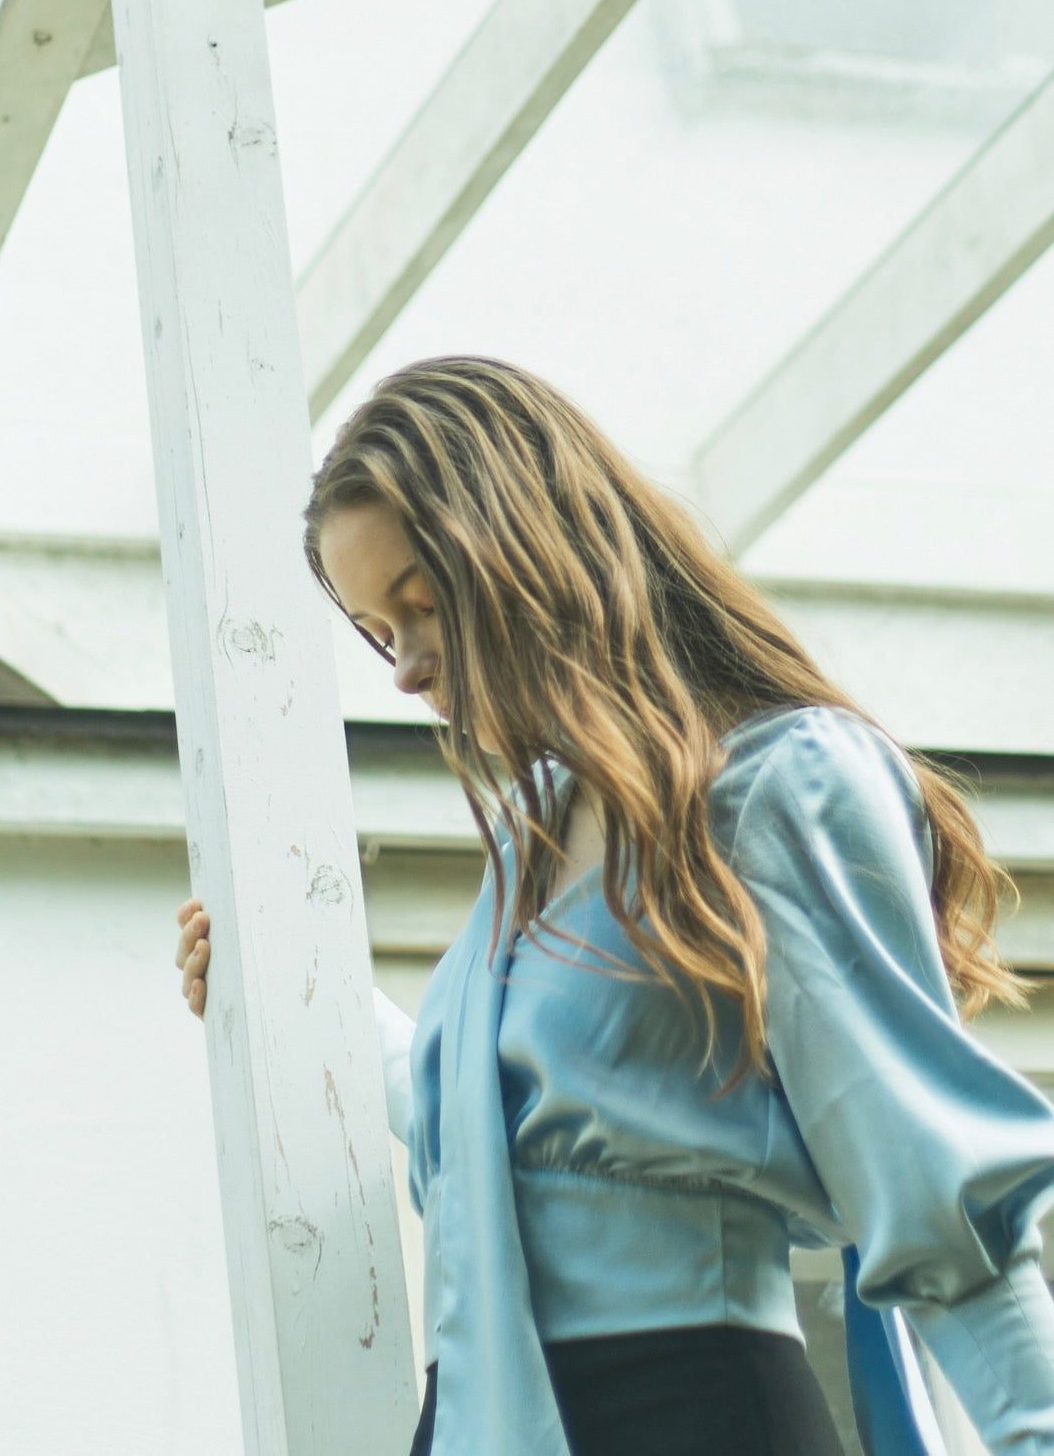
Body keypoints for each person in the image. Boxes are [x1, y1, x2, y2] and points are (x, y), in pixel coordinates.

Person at [175, 356, 1054, 1455]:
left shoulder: (777, 788)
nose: (402, 667)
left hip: (694, 1414)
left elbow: (935, 1195)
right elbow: (492, 1132)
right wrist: (288, 991)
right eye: (373, 630)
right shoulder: (533, 838)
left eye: (420, 601)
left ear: (525, 550)